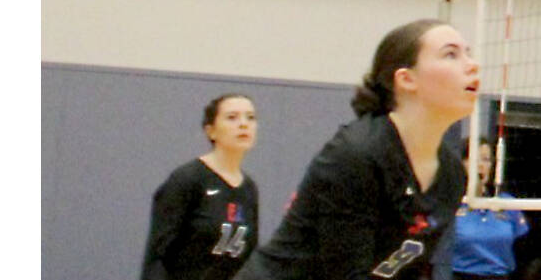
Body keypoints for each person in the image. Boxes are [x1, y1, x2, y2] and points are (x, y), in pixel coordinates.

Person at [235, 20, 480, 280]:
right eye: (450, 54)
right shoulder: (357, 154)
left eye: (469, 53)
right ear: (407, 79)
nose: (472, 64)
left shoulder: (452, 175)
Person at [142, 93, 261, 280]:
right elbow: (158, 256)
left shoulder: (249, 189)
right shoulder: (188, 179)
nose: (243, 124)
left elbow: (248, 258)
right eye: (232, 117)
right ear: (211, 130)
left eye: (250, 117)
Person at [432, 139, 529, 280]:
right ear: (462, 163)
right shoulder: (449, 202)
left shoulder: (507, 203)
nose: (481, 165)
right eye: (474, 159)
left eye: (486, 159)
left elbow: (523, 251)